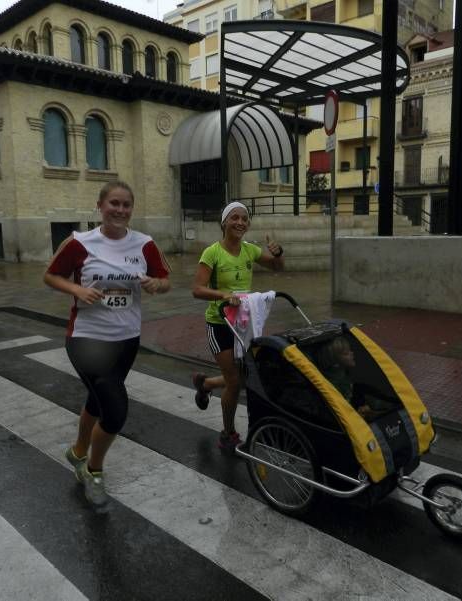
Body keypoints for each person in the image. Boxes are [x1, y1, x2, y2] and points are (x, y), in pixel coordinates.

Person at [43, 181, 171, 507]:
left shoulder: (145, 244)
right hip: (87, 338)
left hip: (126, 339)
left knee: (98, 401)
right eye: (114, 203)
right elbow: (51, 275)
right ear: (100, 206)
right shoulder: (80, 242)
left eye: (126, 205)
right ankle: (93, 470)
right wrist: (78, 291)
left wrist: (157, 284)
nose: (120, 210)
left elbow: (165, 281)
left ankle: (76, 452)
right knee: (115, 410)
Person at [191, 201, 285, 454]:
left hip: (243, 324)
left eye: (245, 218)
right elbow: (197, 289)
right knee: (234, 381)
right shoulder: (212, 253)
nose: (240, 222)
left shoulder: (250, 251)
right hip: (219, 324)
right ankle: (228, 434)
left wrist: (277, 253)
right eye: (235, 217)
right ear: (224, 222)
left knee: (241, 379)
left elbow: (278, 268)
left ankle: (207, 384)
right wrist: (223, 295)